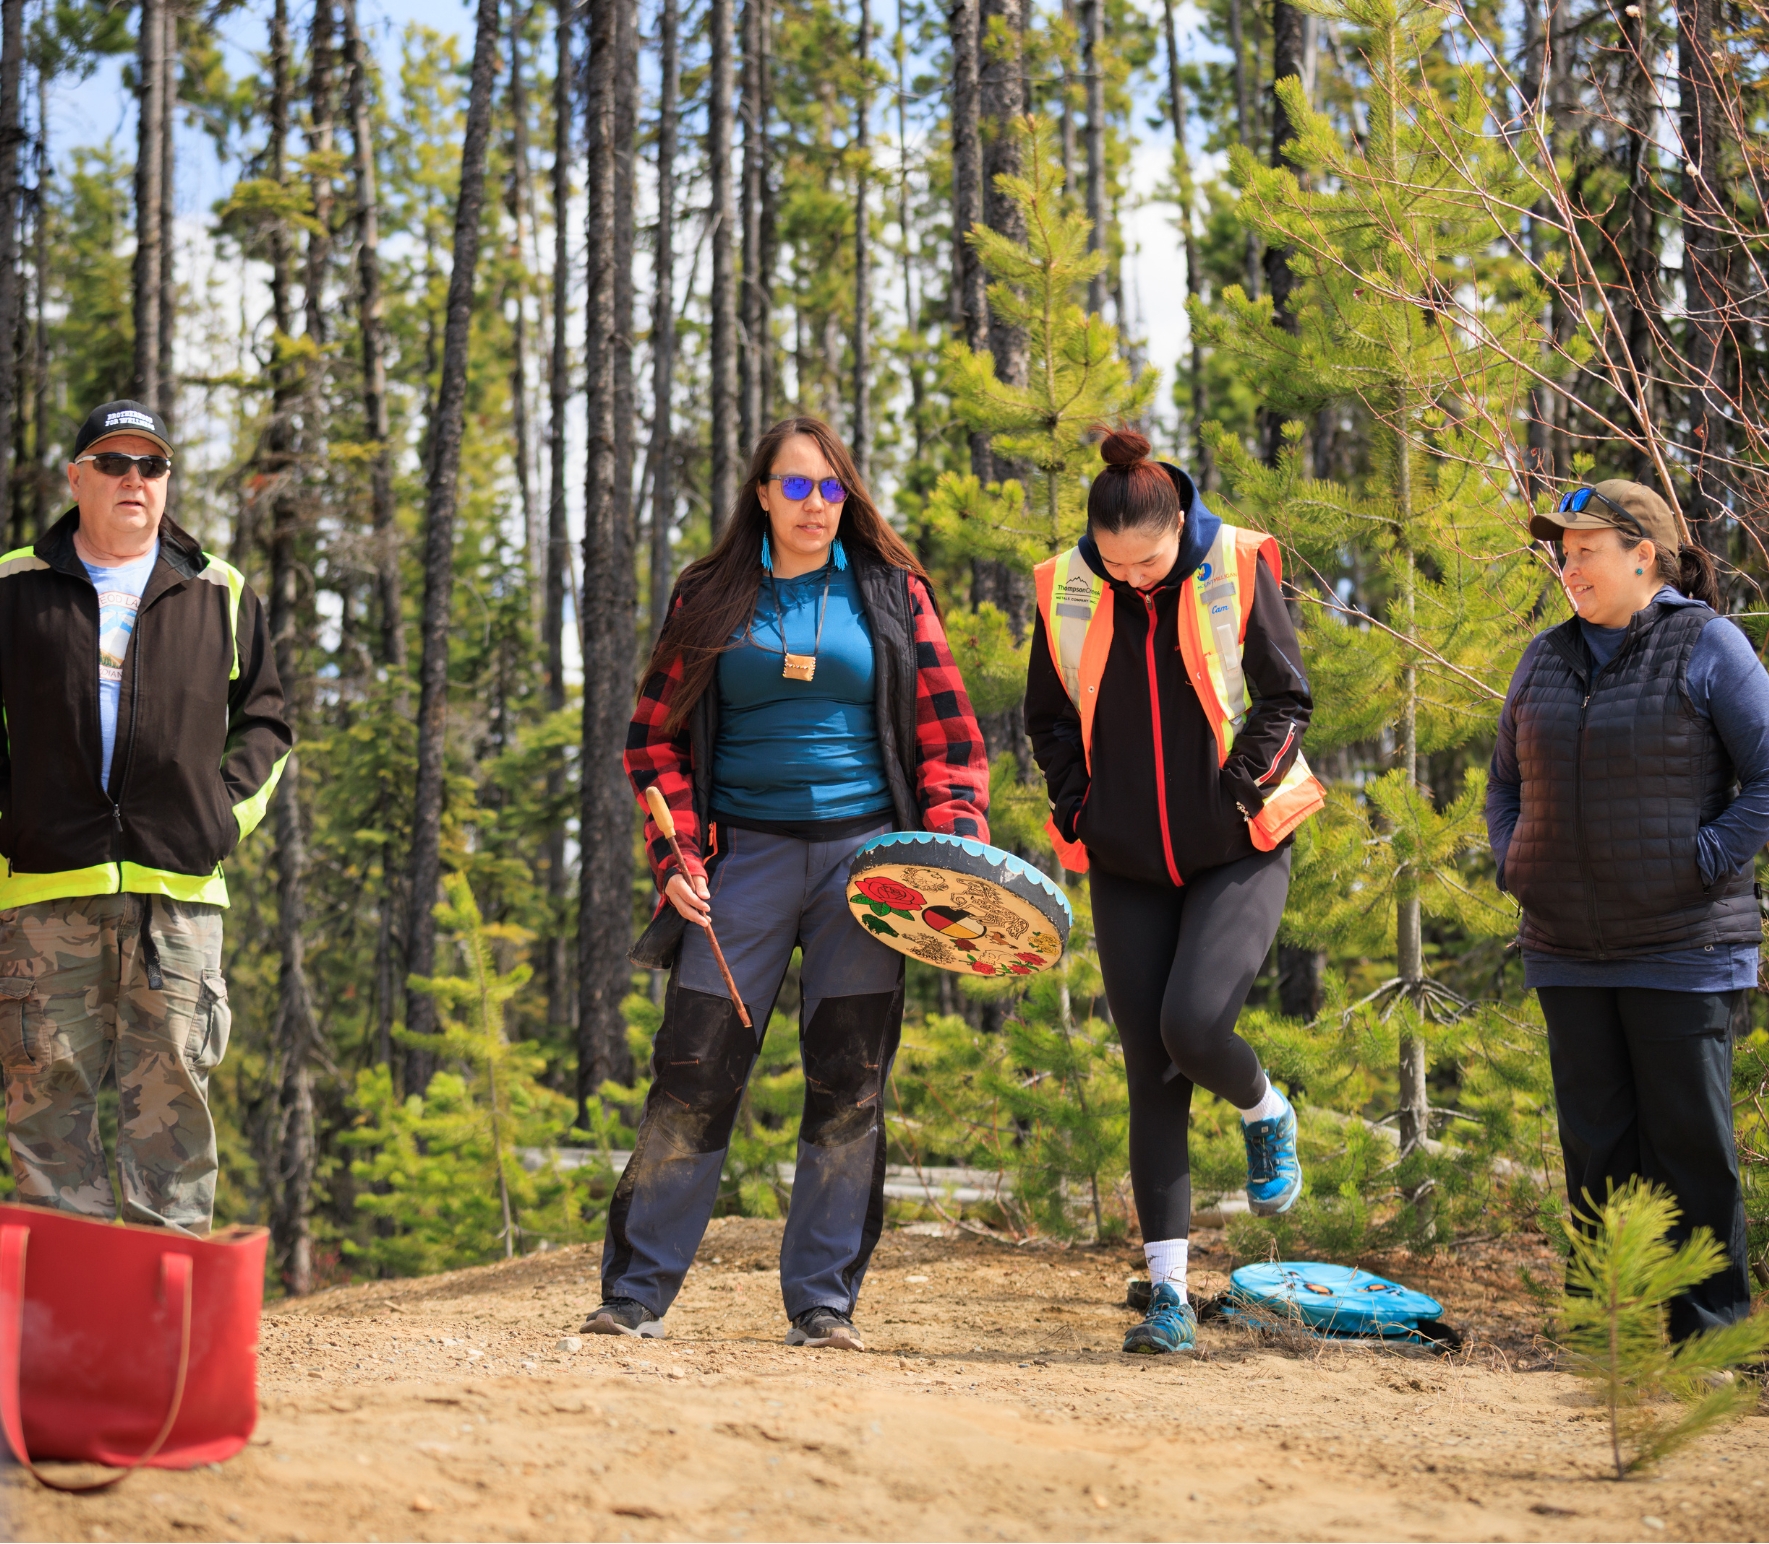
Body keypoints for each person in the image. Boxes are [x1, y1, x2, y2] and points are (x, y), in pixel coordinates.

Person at [585, 415, 990, 1351]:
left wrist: (949, 855)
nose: (816, 504)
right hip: (741, 869)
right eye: (796, 486)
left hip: (868, 870)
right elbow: (651, 743)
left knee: (848, 1082)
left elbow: (952, 747)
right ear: (760, 492)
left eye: (831, 487)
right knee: (691, 1072)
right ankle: (635, 1296)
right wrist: (678, 857)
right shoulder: (710, 593)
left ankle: (822, 1303)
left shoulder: (892, 593)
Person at [1027, 428, 1323, 1355]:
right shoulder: (1066, 587)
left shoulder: (1235, 563)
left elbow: (1286, 695)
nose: (1133, 578)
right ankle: (1169, 1296)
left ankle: (1265, 1109)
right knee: (1148, 1074)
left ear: (1179, 526)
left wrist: (1237, 788)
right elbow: (1045, 714)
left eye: (1148, 560)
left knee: (1192, 1029)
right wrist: (1077, 807)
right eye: (1114, 564)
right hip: (1124, 860)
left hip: (1237, 845)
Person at [1487, 479, 1769, 1340]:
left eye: (1584, 552)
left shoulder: (1707, 645)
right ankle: (1603, 1335)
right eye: (1561, 554)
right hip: (1566, 949)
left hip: (1683, 945)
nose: (1567, 568)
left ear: (1641, 555)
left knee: (1689, 1149)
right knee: (1596, 1149)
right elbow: (1504, 784)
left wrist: (1702, 860)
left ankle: (1709, 1337)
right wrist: (1517, 861)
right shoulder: (1542, 656)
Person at [0, 399, 290, 1235]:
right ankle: (70, 1348)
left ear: (167, 482)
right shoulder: (13, 588)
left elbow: (266, 721)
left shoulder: (219, 590)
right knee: (47, 1128)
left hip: (179, 898)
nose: (136, 480)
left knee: (170, 1129)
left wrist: (220, 818)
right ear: (77, 477)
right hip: (44, 895)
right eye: (115, 463)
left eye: (152, 466)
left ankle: (168, 1350)